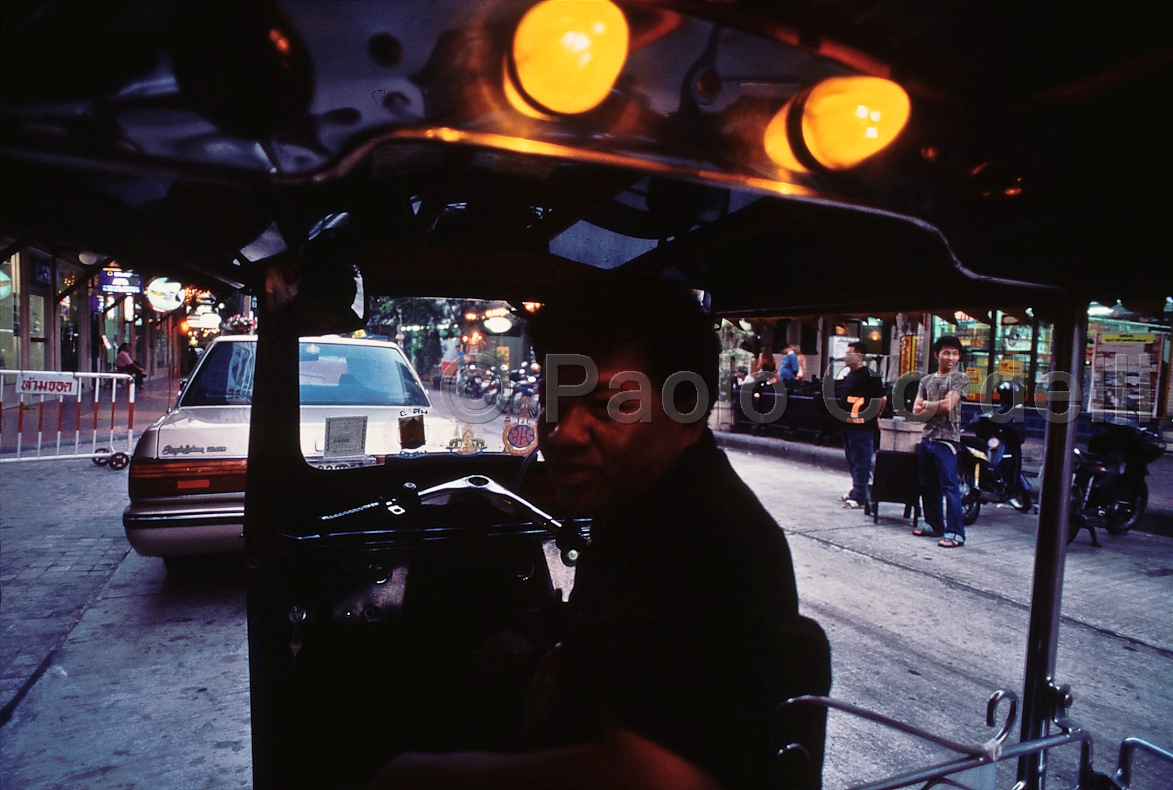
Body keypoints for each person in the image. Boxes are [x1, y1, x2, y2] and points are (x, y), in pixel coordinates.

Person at [372, 277, 831, 790]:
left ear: (686, 410)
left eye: (607, 404)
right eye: (554, 401)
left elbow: (654, 777)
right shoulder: (643, 506)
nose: (562, 433)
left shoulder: (697, 539)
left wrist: (414, 778)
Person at [912, 335, 971, 548]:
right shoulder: (926, 380)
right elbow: (915, 410)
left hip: (947, 441)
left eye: (955, 353)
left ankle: (956, 533)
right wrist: (929, 405)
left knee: (950, 487)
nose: (951, 357)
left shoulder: (960, 378)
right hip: (928, 438)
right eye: (946, 352)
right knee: (928, 486)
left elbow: (948, 406)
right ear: (937, 355)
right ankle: (933, 524)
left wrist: (927, 404)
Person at [837, 341, 886, 510]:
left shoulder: (870, 376)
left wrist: (876, 415)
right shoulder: (850, 375)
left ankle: (860, 496)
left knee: (861, 459)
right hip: (847, 423)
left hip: (862, 425)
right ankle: (857, 489)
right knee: (852, 458)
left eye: (849, 353)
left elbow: (881, 398)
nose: (845, 356)